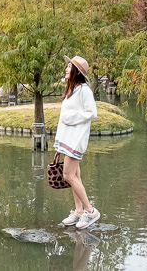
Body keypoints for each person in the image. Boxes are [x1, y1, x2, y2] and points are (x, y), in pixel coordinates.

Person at [55, 54, 100, 229]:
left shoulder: (84, 91)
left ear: (76, 72)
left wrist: (71, 117)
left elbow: (92, 112)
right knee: (75, 176)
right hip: (67, 140)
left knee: (68, 176)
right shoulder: (71, 90)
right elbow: (63, 119)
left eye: (69, 67)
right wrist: (59, 143)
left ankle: (90, 211)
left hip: (76, 141)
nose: (66, 69)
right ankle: (79, 211)